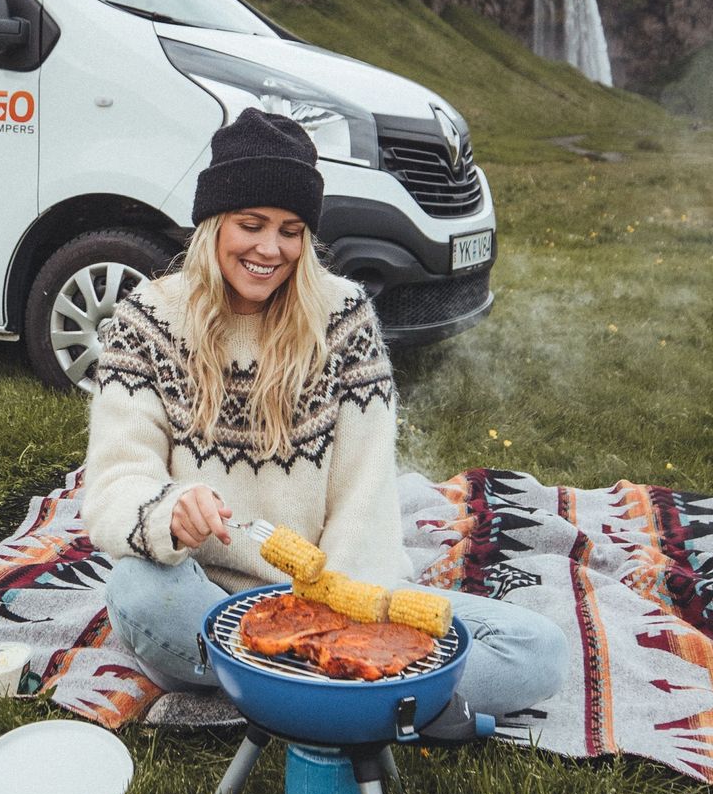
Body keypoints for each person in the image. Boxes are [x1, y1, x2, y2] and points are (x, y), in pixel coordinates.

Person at [83, 106, 569, 719]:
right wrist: (169, 512)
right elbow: (114, 483)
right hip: (203, 594)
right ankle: (357, 701)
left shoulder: (343, 319)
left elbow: (364, 493)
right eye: (250, 224)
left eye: (290, 230)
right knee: (135, 591)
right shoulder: (145, 321)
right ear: (212, 224)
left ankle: (272, 690)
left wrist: (341, 620)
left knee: (538, 651)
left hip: (333, 601)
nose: (269, 248)